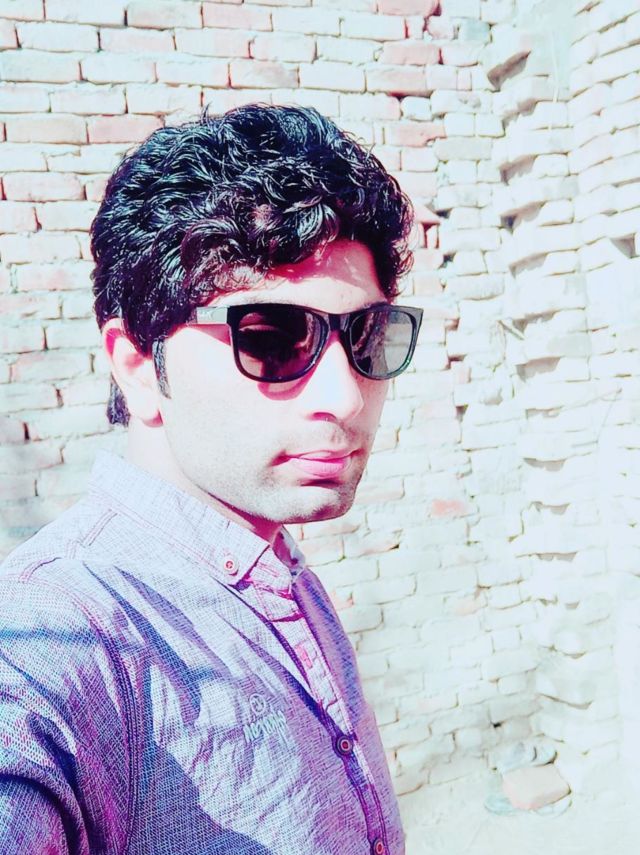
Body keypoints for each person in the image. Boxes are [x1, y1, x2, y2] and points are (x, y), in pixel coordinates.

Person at [0, 104, 423, 854]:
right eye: (272, 338)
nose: (346, 396)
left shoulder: (271, 562)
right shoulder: (54, 643)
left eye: (367, 336)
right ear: (139, 366)